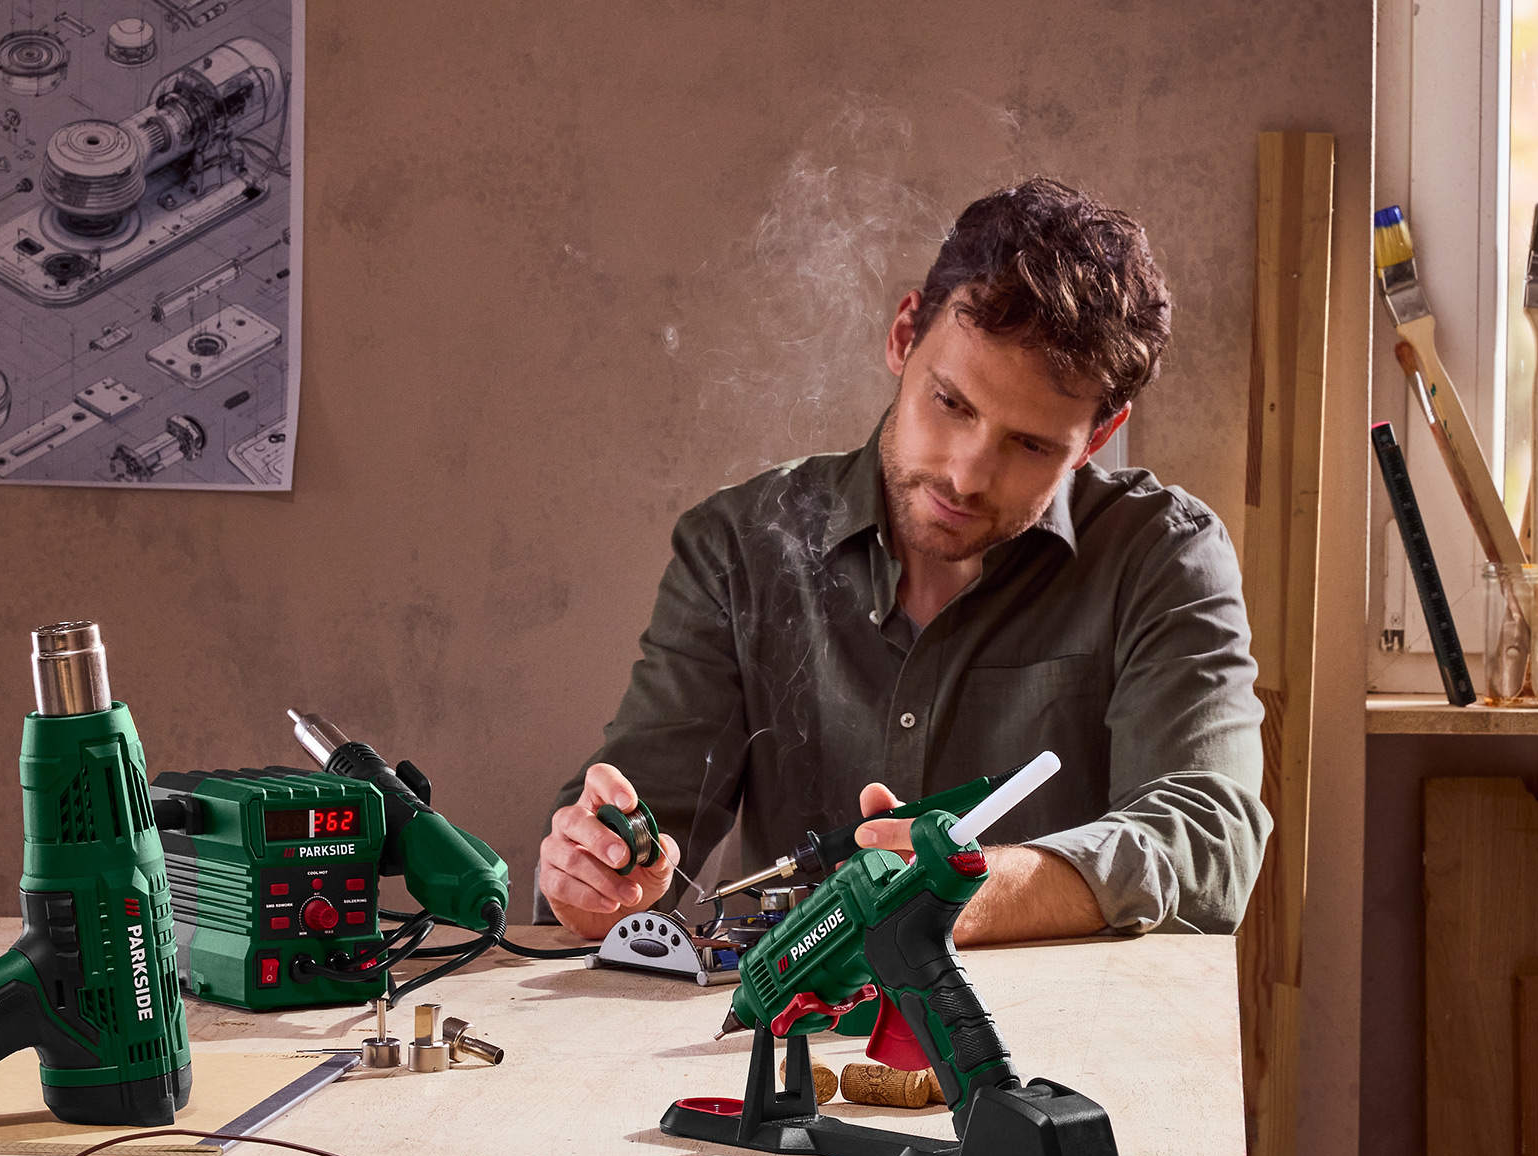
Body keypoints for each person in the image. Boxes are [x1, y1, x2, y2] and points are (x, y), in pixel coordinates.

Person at [538, 176, 1268, 947]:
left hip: (1052, 1053)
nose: (966, 474)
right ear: (904, 335)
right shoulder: (736, 549)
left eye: (1030, 444)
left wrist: (967, 888)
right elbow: (635, 825)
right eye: (951, 403)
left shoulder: (1162, 557)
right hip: (801, 1051)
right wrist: (600, 875)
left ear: (1095, 437)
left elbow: (1206, 841)